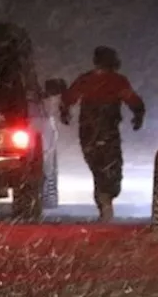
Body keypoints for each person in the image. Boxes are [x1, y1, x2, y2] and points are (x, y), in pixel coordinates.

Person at [60, 46, 146, 222]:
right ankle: (107, 197)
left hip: (88, 132)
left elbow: (68, 98)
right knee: (111, 167)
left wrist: (65, 111)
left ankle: (104, 200)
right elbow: (133, 100)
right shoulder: (118, 81)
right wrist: (138, 114)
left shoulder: (85, 80)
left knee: (97, 168)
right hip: (107, 130)